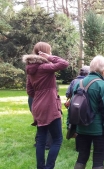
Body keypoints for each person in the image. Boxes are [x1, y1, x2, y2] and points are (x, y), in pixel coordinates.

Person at [23, 41, 68, 169]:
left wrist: (40, 96)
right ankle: (48, 167)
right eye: (50, 51)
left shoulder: (31, 70)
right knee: (58, 139)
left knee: (41, 139)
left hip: (37, 106)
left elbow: (29, 91)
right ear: (44, 52)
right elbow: (64, 63)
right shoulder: (44, 67)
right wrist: (49, 58)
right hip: (50, 106)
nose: (51, 53)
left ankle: (40, 167)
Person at [73, 55, 104, 169]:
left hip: (81, 127)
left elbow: (73, 108)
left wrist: (72, 128)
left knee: (82, 157)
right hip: (98, 130)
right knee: (98, 161)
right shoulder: (103, 85)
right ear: (103, 70)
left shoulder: (78, 83)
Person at [65, 66, 90, 151]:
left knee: (74, 125)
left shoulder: (74, 81)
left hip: (73, 106)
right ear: (87, 73)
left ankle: (77, 146)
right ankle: (84, 146)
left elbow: (67, 93)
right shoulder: (88, 81)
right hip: (84, 107)